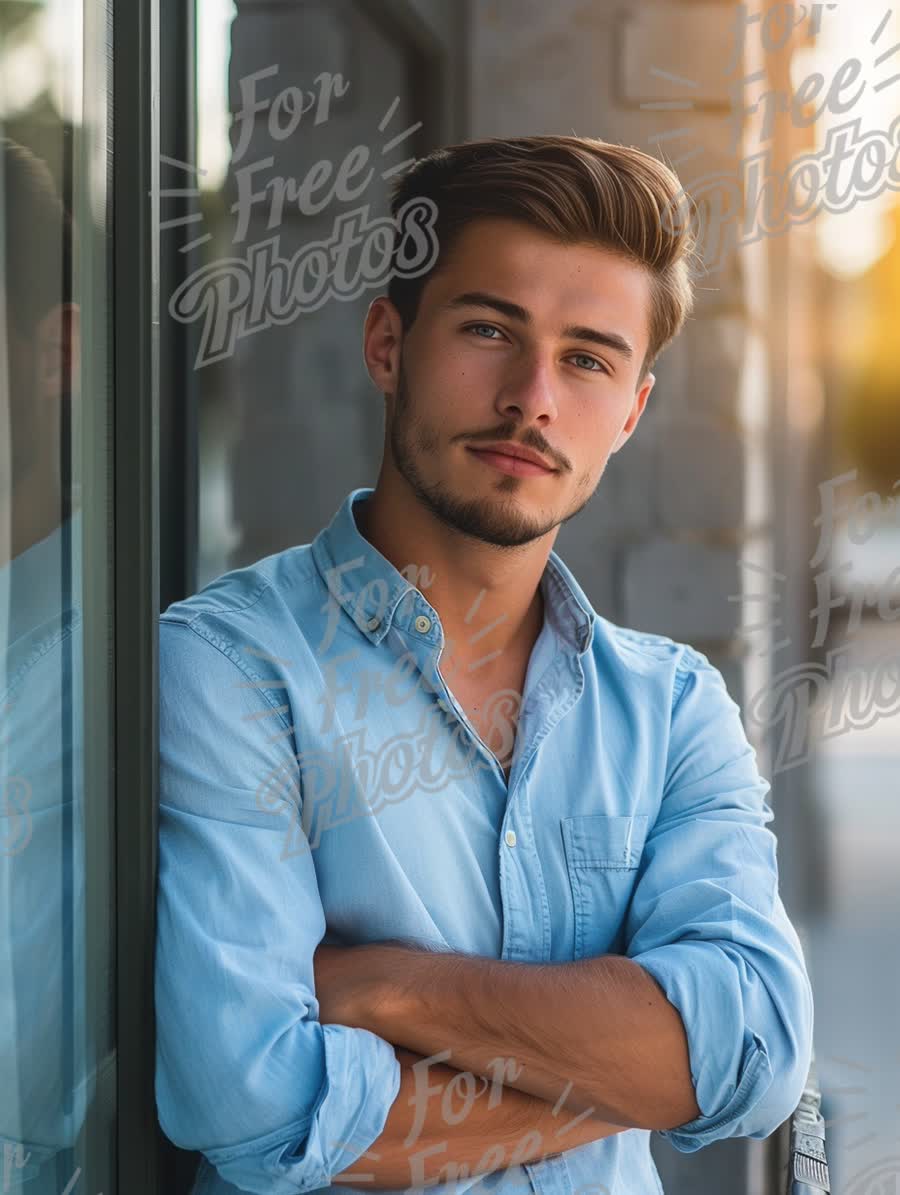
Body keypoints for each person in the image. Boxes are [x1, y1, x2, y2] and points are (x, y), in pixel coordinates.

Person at [155, 134, 814, 1195]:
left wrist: (388, 986)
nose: (533, 397)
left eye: (590, 357)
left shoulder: (677, 706)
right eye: (488, 329)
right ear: (386, 344)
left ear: (634, 410)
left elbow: (757, 1051)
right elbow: (252, 1108)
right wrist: (632, 1067)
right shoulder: (233, 666)